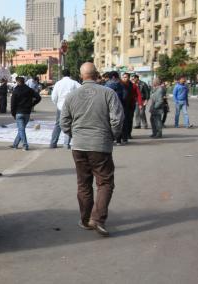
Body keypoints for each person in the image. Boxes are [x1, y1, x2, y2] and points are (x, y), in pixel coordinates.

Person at [60, 62, 124, 237]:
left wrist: (75, 134)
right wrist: (110, 136)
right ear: (96, 74)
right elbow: (117, 120)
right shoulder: (108, 93)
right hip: (100, 146)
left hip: (79, 146)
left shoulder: (72, 96)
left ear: (81, 76)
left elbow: (64, 122)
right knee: (104, 182)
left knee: (83, 183)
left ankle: (85, 219)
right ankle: (97, 218)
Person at [50, 69, 81, 149]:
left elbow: (54, 96)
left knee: (58, 125)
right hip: (71, 107)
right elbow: (81, 92)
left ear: (62, 75)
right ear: (70, 74)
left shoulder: (58, 83)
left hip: (60, 107)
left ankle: (53, 143)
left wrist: (57, 104)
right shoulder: (74, 83)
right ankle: (66, 144)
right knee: (69, 124)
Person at [10, 76, 42, 151]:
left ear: (17, 82)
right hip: (27, 112)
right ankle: (15, 144)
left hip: (19, 112)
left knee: (21, 129)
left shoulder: (16, 90)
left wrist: (13, 113)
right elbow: (39, 97)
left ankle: (25, 145)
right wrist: (32, 104)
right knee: (22, 129)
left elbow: (12, 103)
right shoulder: (29, 89)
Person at [105, 71, 126, 145]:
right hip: (120, 105)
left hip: (110, 105)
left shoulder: (108, 84)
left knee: (109, 122)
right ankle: (119, 140)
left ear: (112, 77)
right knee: (119, 121)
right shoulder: (121, 84)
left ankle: (111, 138)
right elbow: (124, 95)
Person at [121, 73, 143, 142]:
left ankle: (128, 134)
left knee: (129, 120)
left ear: (129, 78)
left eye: (126, 77)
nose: (124, 78)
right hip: (122, 106)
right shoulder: (120, 85)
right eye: (123, 77)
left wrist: (140, 104)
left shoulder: (133, 86)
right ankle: (122, 134)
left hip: (131, 106)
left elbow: (138, 95)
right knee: (122, 121)